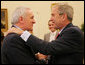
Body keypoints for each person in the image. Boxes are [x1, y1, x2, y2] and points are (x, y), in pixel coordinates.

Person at [5, 3, 84, 64]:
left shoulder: (73, 32)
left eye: (53, 15)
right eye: (32, 18)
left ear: (63, 17)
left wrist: (23, 33)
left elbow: (48, 48)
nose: (51, 19)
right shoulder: (13, 39)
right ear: (21, 19)